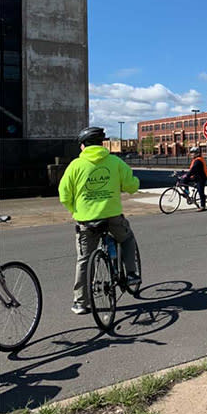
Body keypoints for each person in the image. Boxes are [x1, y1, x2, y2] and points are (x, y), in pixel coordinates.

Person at [59, 126, 140, 314]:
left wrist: (75, 210)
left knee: (84, 259)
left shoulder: (75, 166)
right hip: (112, 216)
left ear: (83, 146)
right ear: (102, 144)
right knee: (127, 239)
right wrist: (134, 185)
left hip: (86, 220)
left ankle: (80, 302)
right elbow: (130, 185)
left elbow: (64, 195)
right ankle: (131, 274)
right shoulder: (114, 162)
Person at [184, 146, 207, 211]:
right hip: (196, 176)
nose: (191, 154)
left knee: (200, 190)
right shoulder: (194, 160)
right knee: (184, 180)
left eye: (193, 153)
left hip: (201, 178)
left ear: (197, 153)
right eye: (191, 153)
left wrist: (187, 175)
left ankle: (203, 206)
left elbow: (193, 170)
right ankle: (187, 193)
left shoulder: (198, 160)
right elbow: (191, 170)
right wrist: (185, 175)